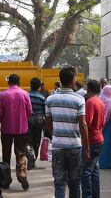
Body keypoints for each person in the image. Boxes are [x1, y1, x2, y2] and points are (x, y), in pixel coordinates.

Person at [46, 66, 89, 198]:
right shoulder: (79, 100)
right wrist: (86, 149)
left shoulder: (50, 99)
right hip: (75, 147)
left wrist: (57, 134)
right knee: (74, 183)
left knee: (59, 183)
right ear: (72, 81)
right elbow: (83, 125)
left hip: (58, 146)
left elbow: (48, 124)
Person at [0, 73, 32, 190]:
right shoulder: (25, 94)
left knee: (6, 155)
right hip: (21, 129)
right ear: (19, 82)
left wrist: (4, 119)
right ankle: (21, 174)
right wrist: (22, 119)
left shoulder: (3, 94)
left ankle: (5, 180)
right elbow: (29, 111)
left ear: (8, 82)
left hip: (6, 129)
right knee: (21, 153)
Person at [82, 80, 105, 198]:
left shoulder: (90, 102)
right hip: (99, 138)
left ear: (89, 89)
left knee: (86, 171)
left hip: (92, 140)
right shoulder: (101, 102)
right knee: (94, 170)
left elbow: (87, 123)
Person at [27, 77, 46, 169]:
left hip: (28, 119)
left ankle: (29, 154)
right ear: (39, 87)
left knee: (28, 140)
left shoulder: (26, 95)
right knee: (37, 140)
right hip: (38, 119)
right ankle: (33, 161)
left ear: (30, 85)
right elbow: (44, 112)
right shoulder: (42, 97)